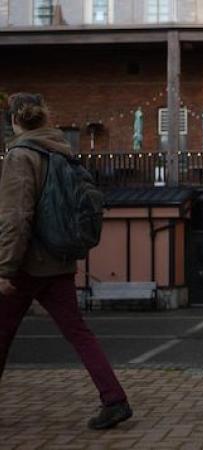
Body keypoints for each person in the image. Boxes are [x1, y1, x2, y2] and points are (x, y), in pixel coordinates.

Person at [0, 93, 132, 430]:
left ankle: (115, 400)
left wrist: (5, 268)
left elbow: (15, 217)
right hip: (58, 260)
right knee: (79, 333)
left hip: (27, 263)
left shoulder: (20, 155)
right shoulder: (63, 151)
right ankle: (114, 399)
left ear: (14, 119)